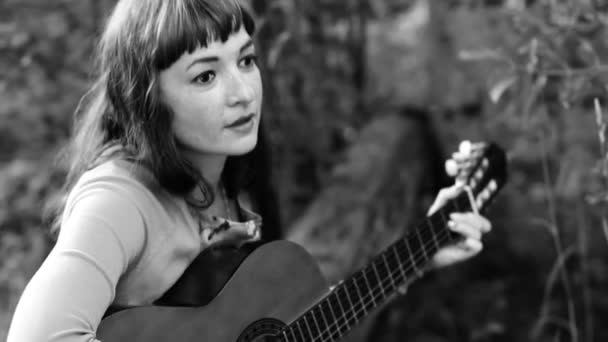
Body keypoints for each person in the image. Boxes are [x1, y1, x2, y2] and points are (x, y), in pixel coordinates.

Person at [7, 0, 491, 341]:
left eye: (245, 59)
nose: (242, 92)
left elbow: (283, 317)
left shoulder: (223, 180)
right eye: (205, 75)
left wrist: (420, 252)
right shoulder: (119, 199)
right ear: (147, 100)